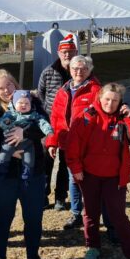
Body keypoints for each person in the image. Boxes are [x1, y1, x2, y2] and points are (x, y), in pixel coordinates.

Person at [65, 83, 130, 259]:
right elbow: (73, 144)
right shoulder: (87, 116)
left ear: (121, 102)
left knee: (118, 215)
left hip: (114, 177)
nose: (110, 104)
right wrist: (76, 168)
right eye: (107, 99)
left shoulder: (123, 119)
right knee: (91, 213)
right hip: (89, 175)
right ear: (100, 98)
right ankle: (92, 246)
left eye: (115, 100)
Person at [0, 69, 48, 259]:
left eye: (9, 85)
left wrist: (24, 132)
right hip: (3, 175)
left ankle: (33, 255)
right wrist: (8, 150)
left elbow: (45, 124)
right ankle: (0, 258)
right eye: (1, 88)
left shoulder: (30, 100)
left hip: (32, 172)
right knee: (4, 216)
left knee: (34, 216)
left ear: (15, 84)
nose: (6, 90)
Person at [44, 55, 101, 231]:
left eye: (83, 69)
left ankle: (91, 214)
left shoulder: (96, 90)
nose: (78, 72)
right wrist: (52, 142)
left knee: (90, 180)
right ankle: (76, 214)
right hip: (67, 143)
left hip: (87, 145)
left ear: (89, 71)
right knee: (73, 178)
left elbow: (102, 118)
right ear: (69, 70)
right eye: (75, 68)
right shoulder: (63, 90)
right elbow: (55, 118)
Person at [36, 33, 78, 211]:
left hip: (72, 127)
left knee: (66, 163)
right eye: (64, 52)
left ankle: (61, 196)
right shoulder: (48, 72)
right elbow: (40, 96)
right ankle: (42, 195)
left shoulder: (80, 71)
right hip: (51, 126)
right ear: (58, 53)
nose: (67, 55)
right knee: (46, 161)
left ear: (75, 52)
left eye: (70, 51)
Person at [0, 90, 53, 176]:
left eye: (27, 103)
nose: (24, 105)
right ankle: (1, 171)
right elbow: (1, 122)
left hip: (27, 143)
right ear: (14, 104)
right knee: (4, 155)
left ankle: (26, 176)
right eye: (20, 103)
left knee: (29, 160)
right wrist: (7, 123)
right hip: (10, 141)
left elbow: (42, 122)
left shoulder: (34, 115)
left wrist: (48, 130)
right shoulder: (10, 114)